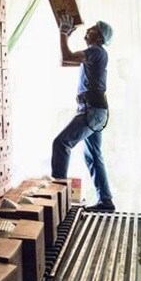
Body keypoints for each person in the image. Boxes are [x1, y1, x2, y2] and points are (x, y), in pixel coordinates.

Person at [51, 18, 115, 211]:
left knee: (61, 143)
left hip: (91, 111)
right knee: (93, 156)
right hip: (95, 111)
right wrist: (66, 37)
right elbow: (65, 60)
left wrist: (63, 34)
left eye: (92, 30)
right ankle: (106, 201)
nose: (87, 32)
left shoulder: (96, 51)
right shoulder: (95, 55)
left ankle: (57, 198)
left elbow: (68, 56)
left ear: (100, 37)